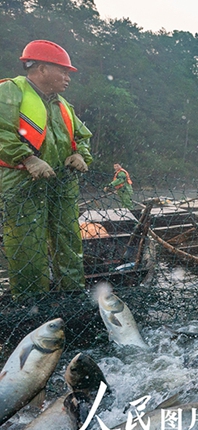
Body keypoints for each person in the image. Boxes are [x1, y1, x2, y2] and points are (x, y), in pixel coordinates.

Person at [0, 40, 92, 299]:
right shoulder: (10, 91)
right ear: (40, 69)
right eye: (62, 71)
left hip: (61, 185)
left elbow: (83, 137)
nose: (67, 78)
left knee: (68, 240)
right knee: (27, 244)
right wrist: (27, 159)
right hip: (21, 185)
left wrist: (80, 155)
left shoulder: (63, 105)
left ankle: (72, 297)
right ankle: (32, 306)